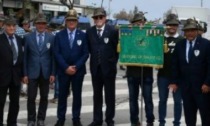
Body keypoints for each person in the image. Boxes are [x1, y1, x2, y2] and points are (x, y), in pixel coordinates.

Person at [170, 18, 210, 126]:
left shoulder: (206, 44)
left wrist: (207, 83)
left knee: (206, 117)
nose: (190, 33)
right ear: (184, 32)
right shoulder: (179, 45)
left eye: (192, 30)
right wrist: (174, 82)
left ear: (197, 31)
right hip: (186, 89)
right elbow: (175, 65)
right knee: (189, 118)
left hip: (203, 89)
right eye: (187, 31)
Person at [54, 9, 89, 126]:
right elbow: (57, 53)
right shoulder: (59, 35)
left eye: (74, 20)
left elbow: (85, 53)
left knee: (77, 96)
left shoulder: (83, 35)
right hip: (63, 71)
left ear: (77, 21)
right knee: (62, 96)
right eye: (69, 20)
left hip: (77, 71)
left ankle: (76, 118)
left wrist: (76, 66)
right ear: (66, 21)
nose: (71, 22)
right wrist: (65, 67)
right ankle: (61, 118)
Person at [86, 8, 118, 126]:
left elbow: (117, 50)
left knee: (110, 96)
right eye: (96, 17)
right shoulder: (89, 32)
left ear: (105, 18)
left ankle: (109, 119)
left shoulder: (113, 31)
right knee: (97, 96)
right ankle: (97, 119)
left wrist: (112, 63)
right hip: (95, 69)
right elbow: (89, 49)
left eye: (101, 17)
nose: (98, 19)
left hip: (109, 69)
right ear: (93, 19)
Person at [23, 13, 55, 126]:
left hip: (46, 73)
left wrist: (52, 73)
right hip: (32, 73)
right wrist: (25, 74)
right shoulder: (28, 37)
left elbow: (53, 57)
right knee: (31, 97)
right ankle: (31, 119)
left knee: (44, 97)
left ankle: (41, 119)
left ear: (46, 25)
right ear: (35, 24)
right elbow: (25, 57)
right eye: (39, 23)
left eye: (43, 23)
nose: (41, 25)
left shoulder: (51, 37)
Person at [125, 12, 155, 126]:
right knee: (133, 100)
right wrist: (126, 32)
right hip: (132, 73)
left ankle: (150, 121)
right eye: (137, 23)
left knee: (148, 98)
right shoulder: (128, 35)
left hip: (146, 72)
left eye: (142, 23)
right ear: (133, 24)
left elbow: (154, 50)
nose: (140, 25)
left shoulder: (150, 35)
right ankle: (134, 121)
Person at [157, 14, 183, 126]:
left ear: (177, 26)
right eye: (170, 24)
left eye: (174, 24)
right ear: (166, 25)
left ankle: (176, 123)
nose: (172, 26)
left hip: (178, 77)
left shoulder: (182, 40)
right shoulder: (160, 38)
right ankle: (161, 122)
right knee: (162, 100)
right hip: (163, 75)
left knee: (178, 102)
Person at [0, 17, 24, 126]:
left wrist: (23, 75)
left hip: (16, 76)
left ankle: (12, 123)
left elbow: (21, 58)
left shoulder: (19, 39)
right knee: (0, 102)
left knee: (15, 103)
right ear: (4, 26)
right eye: (9, 25)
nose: (11, 28)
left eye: (13, 26)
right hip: (2, 76)